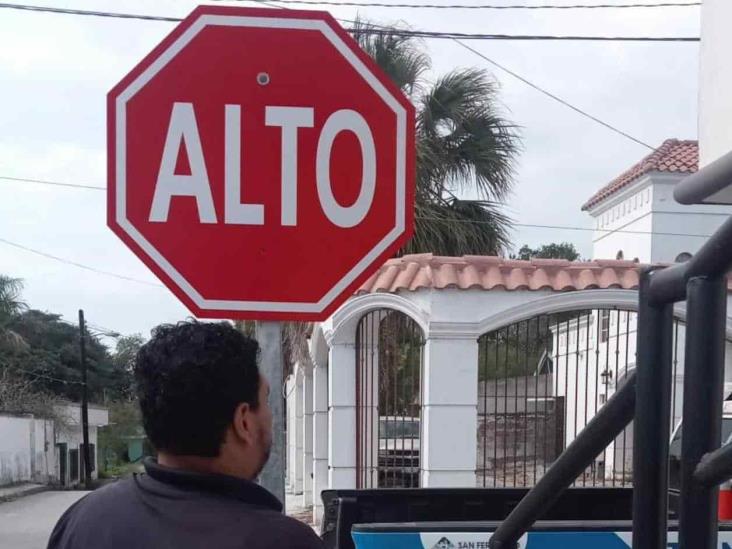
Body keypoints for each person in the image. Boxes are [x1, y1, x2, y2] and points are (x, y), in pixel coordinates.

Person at [48, 321, 323, 549]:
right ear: (243, 422)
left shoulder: (83, 520)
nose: (272, 416)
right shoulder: (284, 541)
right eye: (266, 400)